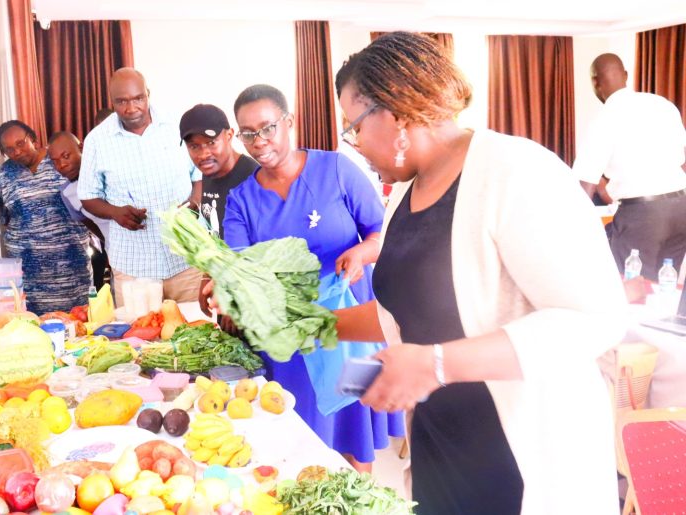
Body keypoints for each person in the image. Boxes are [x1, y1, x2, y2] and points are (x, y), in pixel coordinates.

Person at [333, 32, 626, 514]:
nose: (354, 144)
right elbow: (404, 313)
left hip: (523, 460)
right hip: (443, 448)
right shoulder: (404, 194)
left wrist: (435, 364)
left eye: (354, 127)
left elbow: (595, 318)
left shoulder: (518, 171)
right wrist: (313, 325)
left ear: (396, 112)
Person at [220, 84, 404, 472]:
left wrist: (362, 253)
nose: (259, 141)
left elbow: (383, 232)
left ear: (289, 122)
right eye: (248, 133)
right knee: (298, 435)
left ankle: (360, 496)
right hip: (290, 340)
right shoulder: (241, 200)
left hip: (349, 328)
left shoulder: (335, 170)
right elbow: (239, 269)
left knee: (354, 427)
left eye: (267, 128)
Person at [78, 68, 203, 305]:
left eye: (138, 98)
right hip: (133, 268)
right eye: (122, 101)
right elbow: (87, 196)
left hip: (186, 260)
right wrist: (115, 212)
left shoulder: (177, 125)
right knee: (138, 330)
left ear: (148, 94)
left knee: (197, 326)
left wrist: (193, 204)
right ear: (112, 101)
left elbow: (200, 175)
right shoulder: (97, 140)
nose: (131, 108)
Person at [573, 53, 686, 280]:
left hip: (642, 216)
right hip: (681, 208)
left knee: (633, 287)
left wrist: (573, 228)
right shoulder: (663, 105)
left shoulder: (603, 118)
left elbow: (584, 185)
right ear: (625, 75)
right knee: (666, 283)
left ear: (595, 82)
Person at [0, 120, 92, 314]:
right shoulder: (3, 176)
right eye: (9, 149)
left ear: (32, 138)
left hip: (72, 269)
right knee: (34, 326)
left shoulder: (59, 159)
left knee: (79, 323)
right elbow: (4, 219)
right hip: (29, 277)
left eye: (21, 143)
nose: (17, 151)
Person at [178, 103, 257, 318]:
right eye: (194, 146)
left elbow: (262, 249)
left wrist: (237, 301)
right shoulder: (209, 173)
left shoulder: (253, 178)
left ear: (229, 135)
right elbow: (215, 233)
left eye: (211, 143)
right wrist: (207, 276)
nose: (204, 154)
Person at [47, 131, 110, 291]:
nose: (61, 165)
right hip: (120, 257)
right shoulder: (68, 193)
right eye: (55, 161)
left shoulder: (106, 173)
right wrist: (110, 248)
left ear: (81, 148)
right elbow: (94, 227)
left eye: (66, 156)